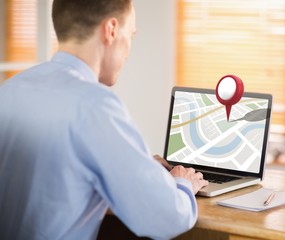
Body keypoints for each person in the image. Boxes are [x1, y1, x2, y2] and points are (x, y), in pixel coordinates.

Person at [0, 0, 209, 239]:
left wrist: (139, 166)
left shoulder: (10, 89)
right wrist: (183, 184)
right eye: (130, 36)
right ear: (111, 30)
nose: (129, 50)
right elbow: (166, 218)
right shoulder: (94, 105)